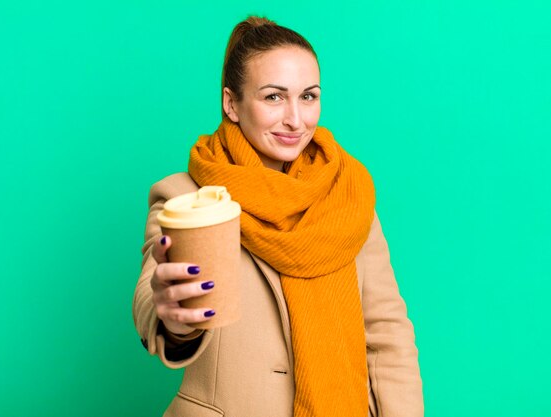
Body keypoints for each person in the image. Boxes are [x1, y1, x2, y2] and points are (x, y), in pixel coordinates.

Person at [133, 16, 424, 417]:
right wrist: (175, 320)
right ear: (231, 103)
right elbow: (154, 292)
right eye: (273, 97)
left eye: (308, 96)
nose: (296, 119)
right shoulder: (185, 197)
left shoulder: (347, 195)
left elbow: (387, 333)